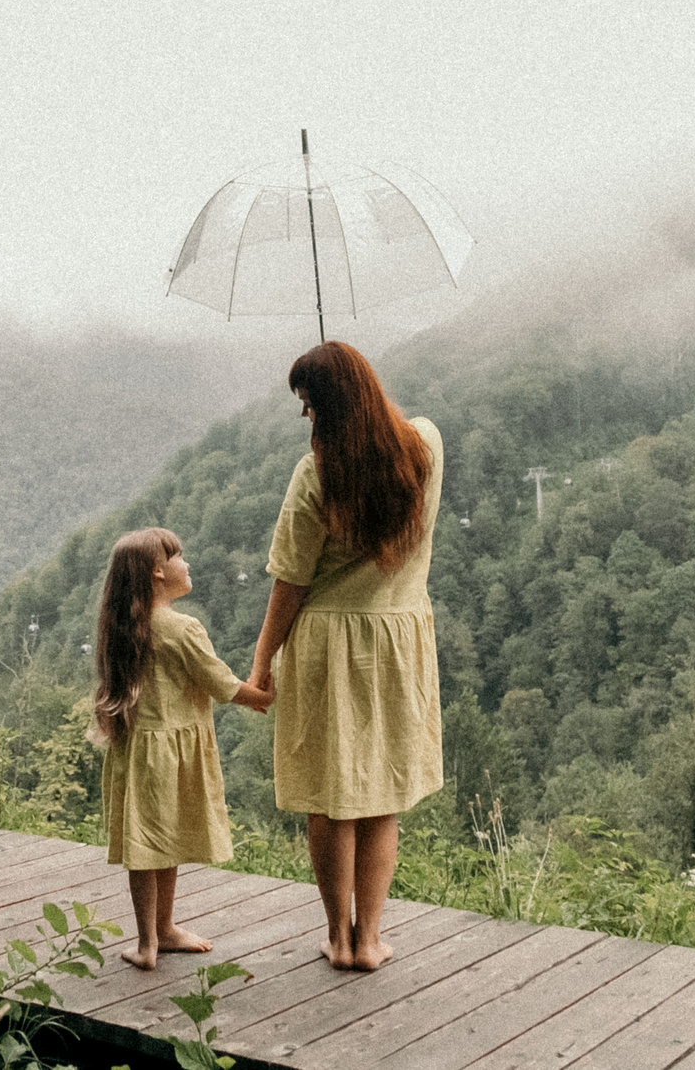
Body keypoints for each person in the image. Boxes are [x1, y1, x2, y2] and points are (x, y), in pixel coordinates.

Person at [244, 341, 444, 971]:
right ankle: (370, 938)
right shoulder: (426, 448)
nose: (307, 419)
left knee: (331, 799)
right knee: (380, 792)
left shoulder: (316, 476)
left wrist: (260, 663)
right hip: (395, 642)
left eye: (310, 406)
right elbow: (392, 431)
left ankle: (337, 934)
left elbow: (290, 582)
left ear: (329, 409)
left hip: (328, 647)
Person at [90, 525, 274, 970]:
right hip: (172, 752)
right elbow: (221, 683)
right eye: (179, 557)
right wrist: (266, 696)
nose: (187, 564)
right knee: (163, 840)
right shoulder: (182, 629)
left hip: (137, 753)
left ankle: (151, 939)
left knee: (149, 844)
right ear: (158, 572)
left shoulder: (124, 627)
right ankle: (160, 934)